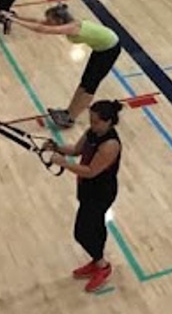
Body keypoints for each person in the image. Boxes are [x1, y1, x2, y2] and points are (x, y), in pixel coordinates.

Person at [44, 100, 123, 294]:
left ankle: (102, 266)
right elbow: (77, 150)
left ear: (108, 122)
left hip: (100, 193)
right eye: (91, 120)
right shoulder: (93, 133)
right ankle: (97, 261)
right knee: (92, 227)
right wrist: (57, 147)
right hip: (87, 189)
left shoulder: (110, 145)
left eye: (96, 122)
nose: (92, 125)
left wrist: (63, 163)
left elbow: (90, 171)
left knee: (83, 232)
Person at [3, 4, 121, 129]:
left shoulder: (73, 27)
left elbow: (42, 29)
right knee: (84, 83)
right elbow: (39, 22)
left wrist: (14, 20)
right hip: (100, 49)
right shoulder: (66, 24)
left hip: (109, 50)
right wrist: (15, 17)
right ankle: (68, 113)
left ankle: (71, 119)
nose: (48, 22)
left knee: (90, 86)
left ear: (59, 20)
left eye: (50, 20)